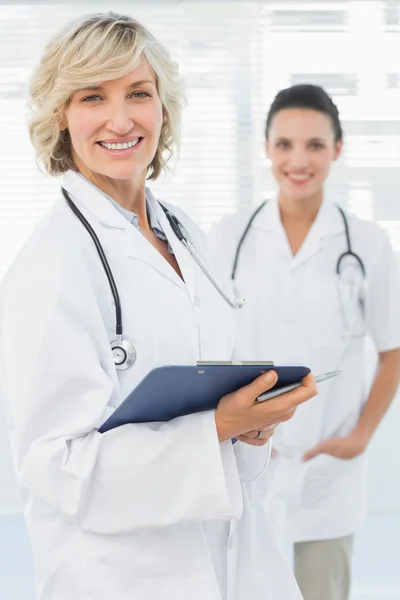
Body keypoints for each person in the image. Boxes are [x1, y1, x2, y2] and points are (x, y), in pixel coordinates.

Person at [0, 14, 319, 600]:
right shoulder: (50, 266)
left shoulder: (184, 233)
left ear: (163, 108)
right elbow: (56, 467)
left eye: (139, 94)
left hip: (224, 560)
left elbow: (206, 376)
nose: (121, 120)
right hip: (118, 578)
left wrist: (250, 423)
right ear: (60, 117)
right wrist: (220, 426)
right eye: (93, 96)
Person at [208, 84, 400, 600]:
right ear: (267, 148)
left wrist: (360, 436)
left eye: (315, 145)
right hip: (246, 458)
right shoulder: (227, 238)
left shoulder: (367, 242)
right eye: (285, 144)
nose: (299, 160)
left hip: (327, 463)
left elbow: (393, 350)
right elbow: (206, 345)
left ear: (336, 150)